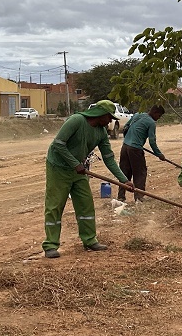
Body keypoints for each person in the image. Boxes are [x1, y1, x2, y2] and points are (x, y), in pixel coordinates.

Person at [43, 99, 132, 258]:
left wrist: (123, 180)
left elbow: (108, 158)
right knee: (55, 205)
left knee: (85, 204)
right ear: (100, 114)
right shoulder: (76, 121)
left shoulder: (101, 132)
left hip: (79, 171)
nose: (110, 121)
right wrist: (75, 164)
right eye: (109, 117)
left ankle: (90, 240)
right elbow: (58, 144)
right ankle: (50, 245)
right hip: (58, 167)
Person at [117, 105, 165, 203]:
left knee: (124, 172)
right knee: (140, 173)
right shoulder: (151, 123)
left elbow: (126, 127)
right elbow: (152, 142)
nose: (158, 118)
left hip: (125, 146)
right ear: (155, 112)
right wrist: (159, 154)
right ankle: (139, 197)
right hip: (135, 149)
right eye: (159, 116)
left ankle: (121, 197)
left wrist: (128, 138)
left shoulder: (138, 115)